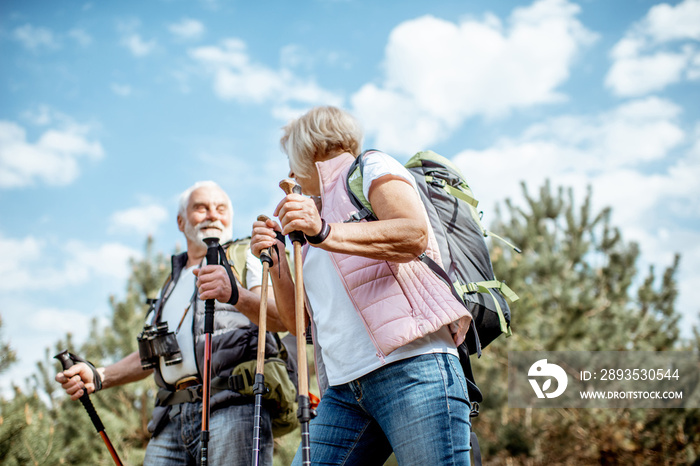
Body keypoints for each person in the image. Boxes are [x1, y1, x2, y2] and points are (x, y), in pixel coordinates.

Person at [250, 106, 473, 465]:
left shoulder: (371, 167)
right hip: (343, 390)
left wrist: (325, 232)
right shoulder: (312, 222)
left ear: (310, 148)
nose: (288, 173)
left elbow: (412, 234)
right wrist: (277, 260)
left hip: (413, 366)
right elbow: (298, 325)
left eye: (291, 159)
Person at [56, 180, 288, 466]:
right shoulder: (170, 284)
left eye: (221, 208)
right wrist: (100, 375)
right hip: (170, 418)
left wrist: (235, 294)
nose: (213, 215)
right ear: (181, 221)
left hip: (232, 407)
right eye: (201, 208)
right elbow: (152, 357)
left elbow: (281, 318)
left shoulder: (245, 257)